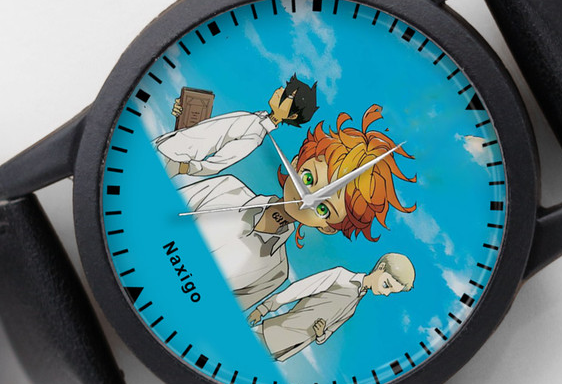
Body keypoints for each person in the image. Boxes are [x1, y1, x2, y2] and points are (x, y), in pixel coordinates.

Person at [177, 104, 417, 311]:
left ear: (328, 227)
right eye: (308, 178)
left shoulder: (275, 271)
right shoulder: (226, 188)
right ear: (295, 163)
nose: (306, 199)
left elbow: (217, 311)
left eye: (323, 210)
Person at [247, 253, 416, 362]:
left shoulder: (354, 306)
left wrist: (321, 333)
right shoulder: (340, 276)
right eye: (386, 285)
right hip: (273, 332)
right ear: (380, 268)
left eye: (391, 292)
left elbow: (328, 333)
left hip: (287, 349)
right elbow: (299, 289)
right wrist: (264, 308)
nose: (385, 293)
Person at [155, 74, 318, 177]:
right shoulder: (253, 118)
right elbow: (209, 132)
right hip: (166, 143)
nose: (279, 90)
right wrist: (183, 113)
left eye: (288, 94)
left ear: (293, 115)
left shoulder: (255, 134)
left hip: (173, 159)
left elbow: (218, 163)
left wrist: (182, 168)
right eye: (285, 87)